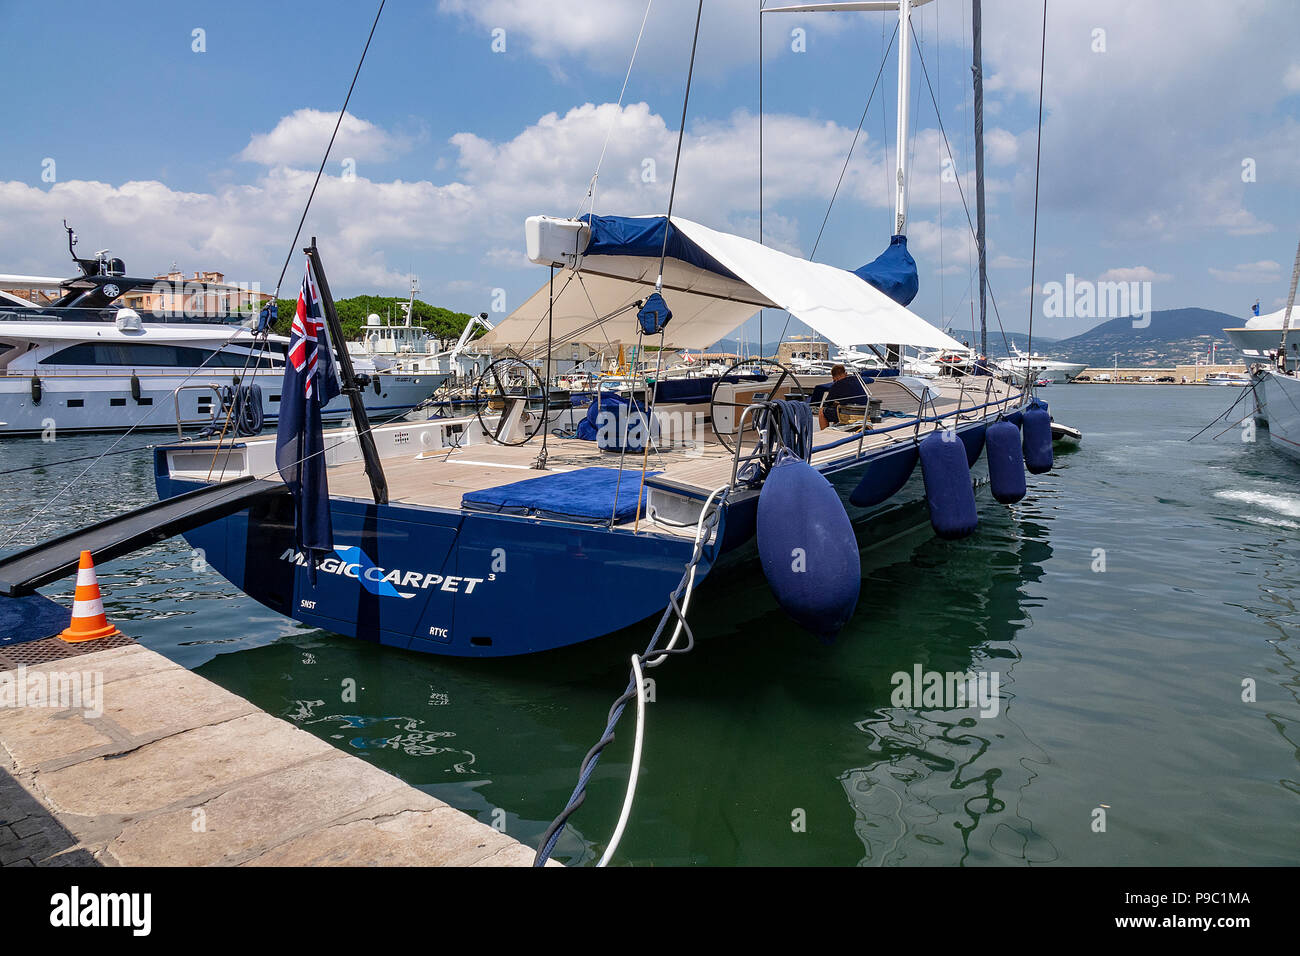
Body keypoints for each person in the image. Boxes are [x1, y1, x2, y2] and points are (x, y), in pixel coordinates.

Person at [818, 364, 865, 429]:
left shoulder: (837, 385)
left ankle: (824, 433)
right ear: (846, 373)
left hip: (850, 414)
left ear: (834, 377)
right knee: (838, 408)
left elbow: (827, 403)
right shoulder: (857, 380)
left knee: (821, 411)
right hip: (864, 413)